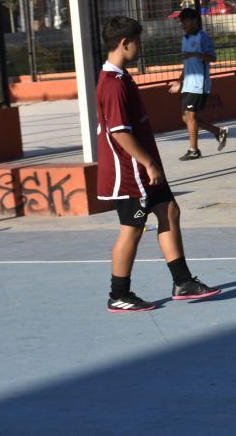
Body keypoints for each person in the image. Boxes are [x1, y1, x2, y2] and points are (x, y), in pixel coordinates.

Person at [97, 16, 221, 313]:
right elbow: (119, 132)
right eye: (137, 41)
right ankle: (118, 294)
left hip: (142, 168)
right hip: (130, 171)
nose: (140, 47)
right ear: (125, 43)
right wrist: (148, 163)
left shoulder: (121, 77)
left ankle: (183, 282)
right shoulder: (112, 84)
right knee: (132, 228)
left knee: (169, 210)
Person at [168, 7, 228, 161]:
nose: (182, 24)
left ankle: (194, 150)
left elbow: (212, 58)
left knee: (191, 116)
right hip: (188, 83)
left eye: (185, 21)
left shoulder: (203, 37)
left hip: (199, 84)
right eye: (181, 22)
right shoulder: (185, 39)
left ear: (194, 21)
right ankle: (218, 132)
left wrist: (196, 54)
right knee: (187, 118)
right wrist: (179, 81)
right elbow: (187, 64)